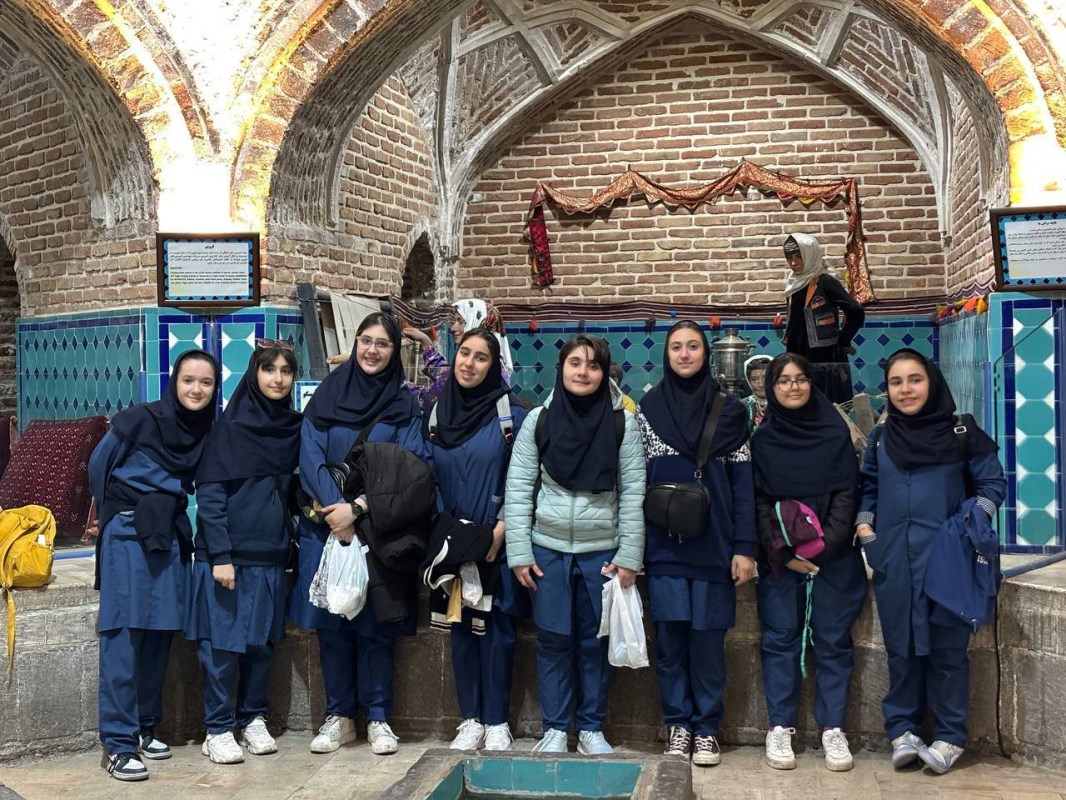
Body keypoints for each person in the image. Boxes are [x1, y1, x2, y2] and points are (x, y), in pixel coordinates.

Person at [856, 349, 1005, 774]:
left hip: (948, 559)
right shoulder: (881, 437)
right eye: (896, 382)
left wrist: (970, 521)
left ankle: (950, 735)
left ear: (932, 382)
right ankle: (902, 729)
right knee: (900, 648)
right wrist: (867, 531)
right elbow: (869, 488)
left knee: (947, 650)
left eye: (915, 379)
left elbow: (993, 485)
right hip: (895, 558)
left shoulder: (961, 431)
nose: (905, 390)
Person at [288, 312, 425, 756]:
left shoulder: (403, 406)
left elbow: (411, 466)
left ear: (395, 351)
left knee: (375, 627)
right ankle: (339, 716)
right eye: (365, 340)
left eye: (383, 343)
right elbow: (309, 456)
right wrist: (336, 511)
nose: (372, 350)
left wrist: (359, 509)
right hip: (327, 527)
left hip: (377, 529)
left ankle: (379, 717)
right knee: (333, 626)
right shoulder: (327, 396)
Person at [504, 334, 646, 755]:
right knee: (552, 640)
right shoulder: (539, 420)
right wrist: (520, 552)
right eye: (575, 363)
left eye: (593, 365)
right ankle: (554, 728)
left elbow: (633, 493)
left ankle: (589, 728)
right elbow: (518, 489)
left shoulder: (623, 423)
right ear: (561, 368)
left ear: (605, 373)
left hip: (601, 552)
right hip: (546, 551)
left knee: (593, 642)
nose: (583, 372)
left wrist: (629, 556)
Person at [90, 349, 220, 782]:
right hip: (128, 530)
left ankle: (145, 726)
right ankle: (118, 743)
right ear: (174, 381)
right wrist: (116, 512)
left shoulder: (205, 430)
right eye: (188, 380)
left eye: (206, 382)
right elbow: (98, 466)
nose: (196, 389)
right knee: (123, 635)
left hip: (168, 532)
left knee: (159, 633)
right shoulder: (139, 420)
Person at [636, 321, 756, 766]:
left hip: (715, 547)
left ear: (706, 354)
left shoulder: (731, 412)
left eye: (692, 346)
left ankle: (706, 729)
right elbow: (636, 482)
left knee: (707, 646)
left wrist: (745, 547)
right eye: (676, 347)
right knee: (670, 645)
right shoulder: (648, 410)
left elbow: (743, 485)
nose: (684, 354)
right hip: (664, 548)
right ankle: (678, 726)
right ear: (666, 355)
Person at [185, 341, 302, 764]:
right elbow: (210, 497)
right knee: (221, 648)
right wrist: (220, 556)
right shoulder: (229, 430)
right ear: (254, 374)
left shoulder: (293, 428)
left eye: (286, 371)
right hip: (228, 559)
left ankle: (252, 718)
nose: (278, 378)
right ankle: (218, 728)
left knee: (261, 645)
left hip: (269, 556)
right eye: (269, 369)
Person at [750, 353, 867, 772]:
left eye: (801, 379)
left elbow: (847, 493)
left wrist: (822, 549)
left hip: (833, 560)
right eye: (783, 381)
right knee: (780, 638)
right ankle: (780, 726)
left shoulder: (834, 433)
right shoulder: (763, 442)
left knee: (832, 641)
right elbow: (758, 501)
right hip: (781, 563)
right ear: (771, 388)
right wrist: (786, 554)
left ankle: (833, 728)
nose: (793, 387)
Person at [424, 328, 529, 752]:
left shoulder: (511, 415)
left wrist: (502, 529)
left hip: (495, 541)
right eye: (463, 353)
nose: (469, 363)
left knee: (497, 630)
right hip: (452, 540)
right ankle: (469, 719)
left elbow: (525, 478)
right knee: (461, 628)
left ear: (493, 365)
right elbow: (427, 475)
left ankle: (497, 720)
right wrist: (443, 527)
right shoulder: (436, 414)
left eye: (480, 357)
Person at [781, 234, 864, 404]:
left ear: (810, 255)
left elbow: (855, 310)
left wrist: (843, 340)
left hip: (824, 358)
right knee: (802, 405)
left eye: (799, 256)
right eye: (789, 257)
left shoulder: (824, 281)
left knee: (830, 405)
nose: (794, 263)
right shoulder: (794, 284)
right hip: (798, 355)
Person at [403, 299, 514, 412]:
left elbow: (427, 398)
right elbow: (446, 375)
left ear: (476, 322)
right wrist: (426, 343)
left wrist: (399, 385)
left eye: (460, 322)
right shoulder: (497, 366)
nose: (453, 328)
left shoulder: (487, 375)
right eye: (454, 322)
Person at [742, 354, 772, 432]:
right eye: (755, 379)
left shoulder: (784, 405)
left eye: (765, 378)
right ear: (749, 381)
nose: (761, 384)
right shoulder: (742, 406)